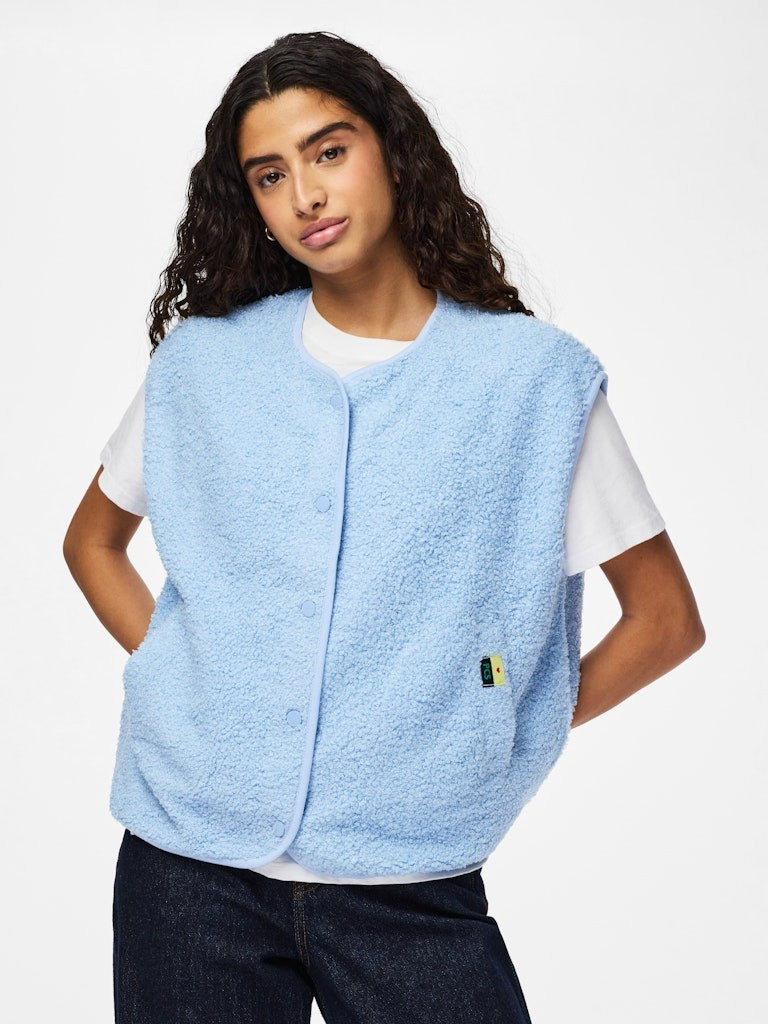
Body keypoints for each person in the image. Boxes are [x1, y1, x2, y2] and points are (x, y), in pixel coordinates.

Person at [62, 30, 706, 1024]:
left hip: (410, 873)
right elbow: (93, 542)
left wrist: (498, 723)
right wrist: (196, 676)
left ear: (392, 150)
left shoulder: (532, 383)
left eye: (329, 150)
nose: (305, 195)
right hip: (185, 866)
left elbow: (665, 619)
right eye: (270, 175)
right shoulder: (205, 364)